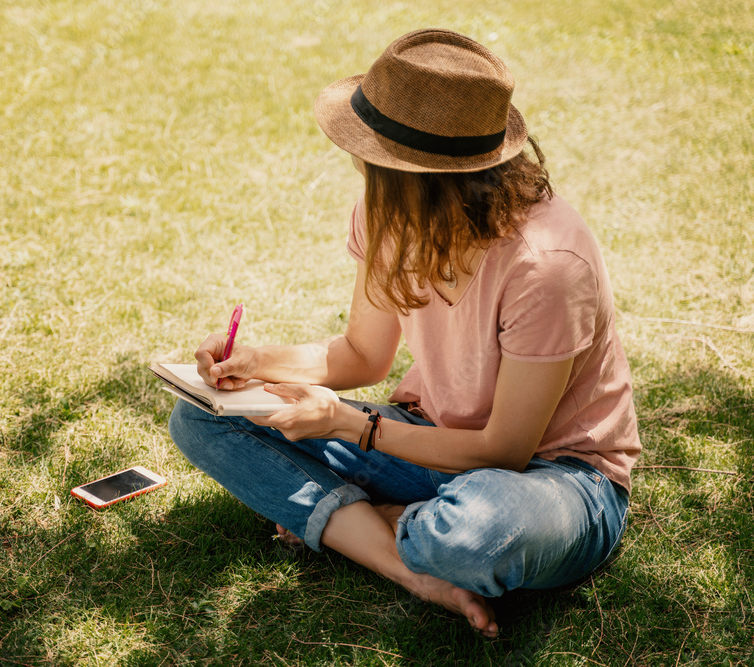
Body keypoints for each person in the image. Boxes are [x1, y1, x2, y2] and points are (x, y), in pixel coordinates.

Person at [168, 28, 640, 638]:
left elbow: (505, 452)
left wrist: (346, 423)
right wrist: (259, 363)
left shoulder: (547, 266)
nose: (359, 163)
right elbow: (362, 355)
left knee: (476, 532)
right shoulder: (388, 214)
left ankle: (360, 523)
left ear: (416, 173)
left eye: (368, 153)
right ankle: (409, 564)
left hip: (558, 479)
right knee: (203, 415)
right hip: (427, 440)